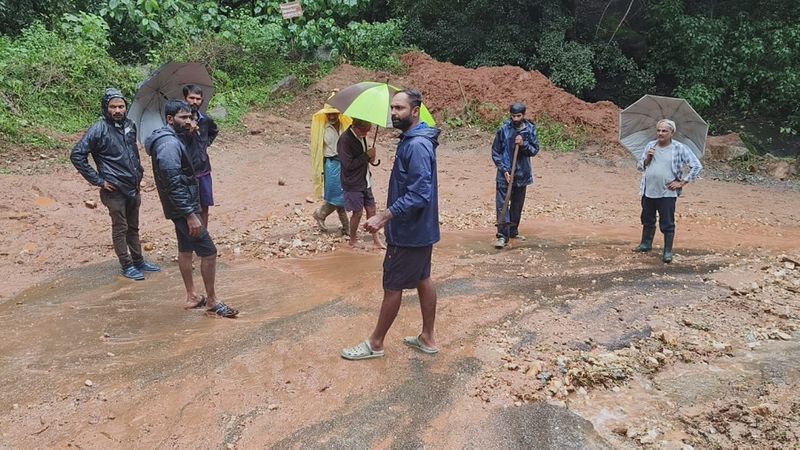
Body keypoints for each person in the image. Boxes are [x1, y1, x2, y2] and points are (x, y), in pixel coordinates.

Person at [341, 89, 441, 360]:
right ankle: (427, 337)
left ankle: (375, 343)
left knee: (393, 285)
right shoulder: (413, 140)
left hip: (409, 231)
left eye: (400, 108)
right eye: (393, 108)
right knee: (422, 278)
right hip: (422, 229)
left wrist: (385, 216)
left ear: (415, 111)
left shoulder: (417, 145)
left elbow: (420, 194)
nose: (394, 113)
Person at [144, 100, 239, 317]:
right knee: (209, 252)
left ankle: (192, 296)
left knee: (185, 250)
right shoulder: (168, 145)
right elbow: (173, 181)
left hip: (180, 207)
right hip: (183, 208)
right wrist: (190, 215)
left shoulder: (172, 138)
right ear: (170, 119)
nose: (189, 121)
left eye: (190, 117)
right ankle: (212, 301)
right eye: (183, 118)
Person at [71, 88, 161, 281]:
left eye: (121, 106)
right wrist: (98, 180)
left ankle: (138, 261)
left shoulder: (130, 125)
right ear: (106, 108)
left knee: (133, 227)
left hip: (132, 185)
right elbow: (77, 154)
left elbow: (132, 152)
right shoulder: (99, 129)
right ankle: (126, 265)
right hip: (114, 189)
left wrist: (139, 174)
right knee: (120, 227)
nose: (118, 110)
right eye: (113, 107)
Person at [634, 118, 703, 263]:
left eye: (664, 131)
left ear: (672, 132)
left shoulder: (679, 148)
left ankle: (667, 251)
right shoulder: (650, 146)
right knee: (647, 218)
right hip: (648, 190)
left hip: (667, 192)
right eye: (658, 130)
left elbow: (697, 166)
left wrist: (682, 182)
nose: (660, 133)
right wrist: (648, 158)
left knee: (667, 221)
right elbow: (640, 166)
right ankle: (646, 243)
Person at [491, 102, 540, 249]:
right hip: (505, 174)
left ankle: (512, 231)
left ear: (523, 115)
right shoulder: (504, 130)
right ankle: (502, 235)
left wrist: (524, 144)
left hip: (522, 174)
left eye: (518, 116)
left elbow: (534, 150)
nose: (515, 119)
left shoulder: (530, 129)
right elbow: (495, 151)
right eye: (513, 116)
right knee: (502, 205)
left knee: (517, 205)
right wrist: (504, 170)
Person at [338, 118, 384, 248]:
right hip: (352, 182)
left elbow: (364, 158)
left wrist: (371, 157)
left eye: (368, 131)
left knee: (371, 209)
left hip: (365, 180)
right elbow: (348, 164)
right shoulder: (345, 140)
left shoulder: (361, 137)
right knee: (357, 212)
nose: (366, 134)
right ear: (355, 127)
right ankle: (353, 239)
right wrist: (366, 155)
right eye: (364, 131)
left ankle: (376, 240)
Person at [183, 84, 219, 229]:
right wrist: (187, 132)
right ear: (184, 99)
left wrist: (205, 144)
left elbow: (214, 131)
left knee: (205, 205)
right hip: (186, 171)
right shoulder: (179, 122)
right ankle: (190, 239)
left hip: (203, 169)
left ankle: (204, 236)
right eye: (191, 98)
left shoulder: (205, 119)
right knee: (188, 208)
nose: (194, 102)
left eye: (198, 99)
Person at [310, 105, 350, 234]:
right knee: (336, 195)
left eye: (334, 113)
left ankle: (345, 227)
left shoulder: (345, 126)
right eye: (329, 114)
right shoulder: (322, 128)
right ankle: (322, 215)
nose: (332, 116)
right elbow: (317, 149)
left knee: (340, 194)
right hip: (332, 164)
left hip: (344, 164)